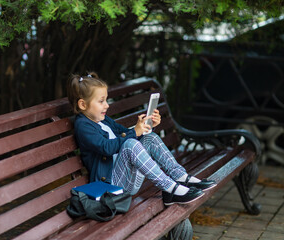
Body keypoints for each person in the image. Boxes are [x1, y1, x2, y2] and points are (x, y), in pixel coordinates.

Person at [67, 72, 216, 205]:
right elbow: (106, 147)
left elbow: (126, 133)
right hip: (111, 186)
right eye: (101, 101)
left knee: (150, 137)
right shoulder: (83, 126)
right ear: (83, 104)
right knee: (131, 143)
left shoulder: (104, 120)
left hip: (127, 175)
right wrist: (134, 133)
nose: (106, 105)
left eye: (106, 100)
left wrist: (146, 126)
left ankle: (180, 177)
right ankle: (170, 188)